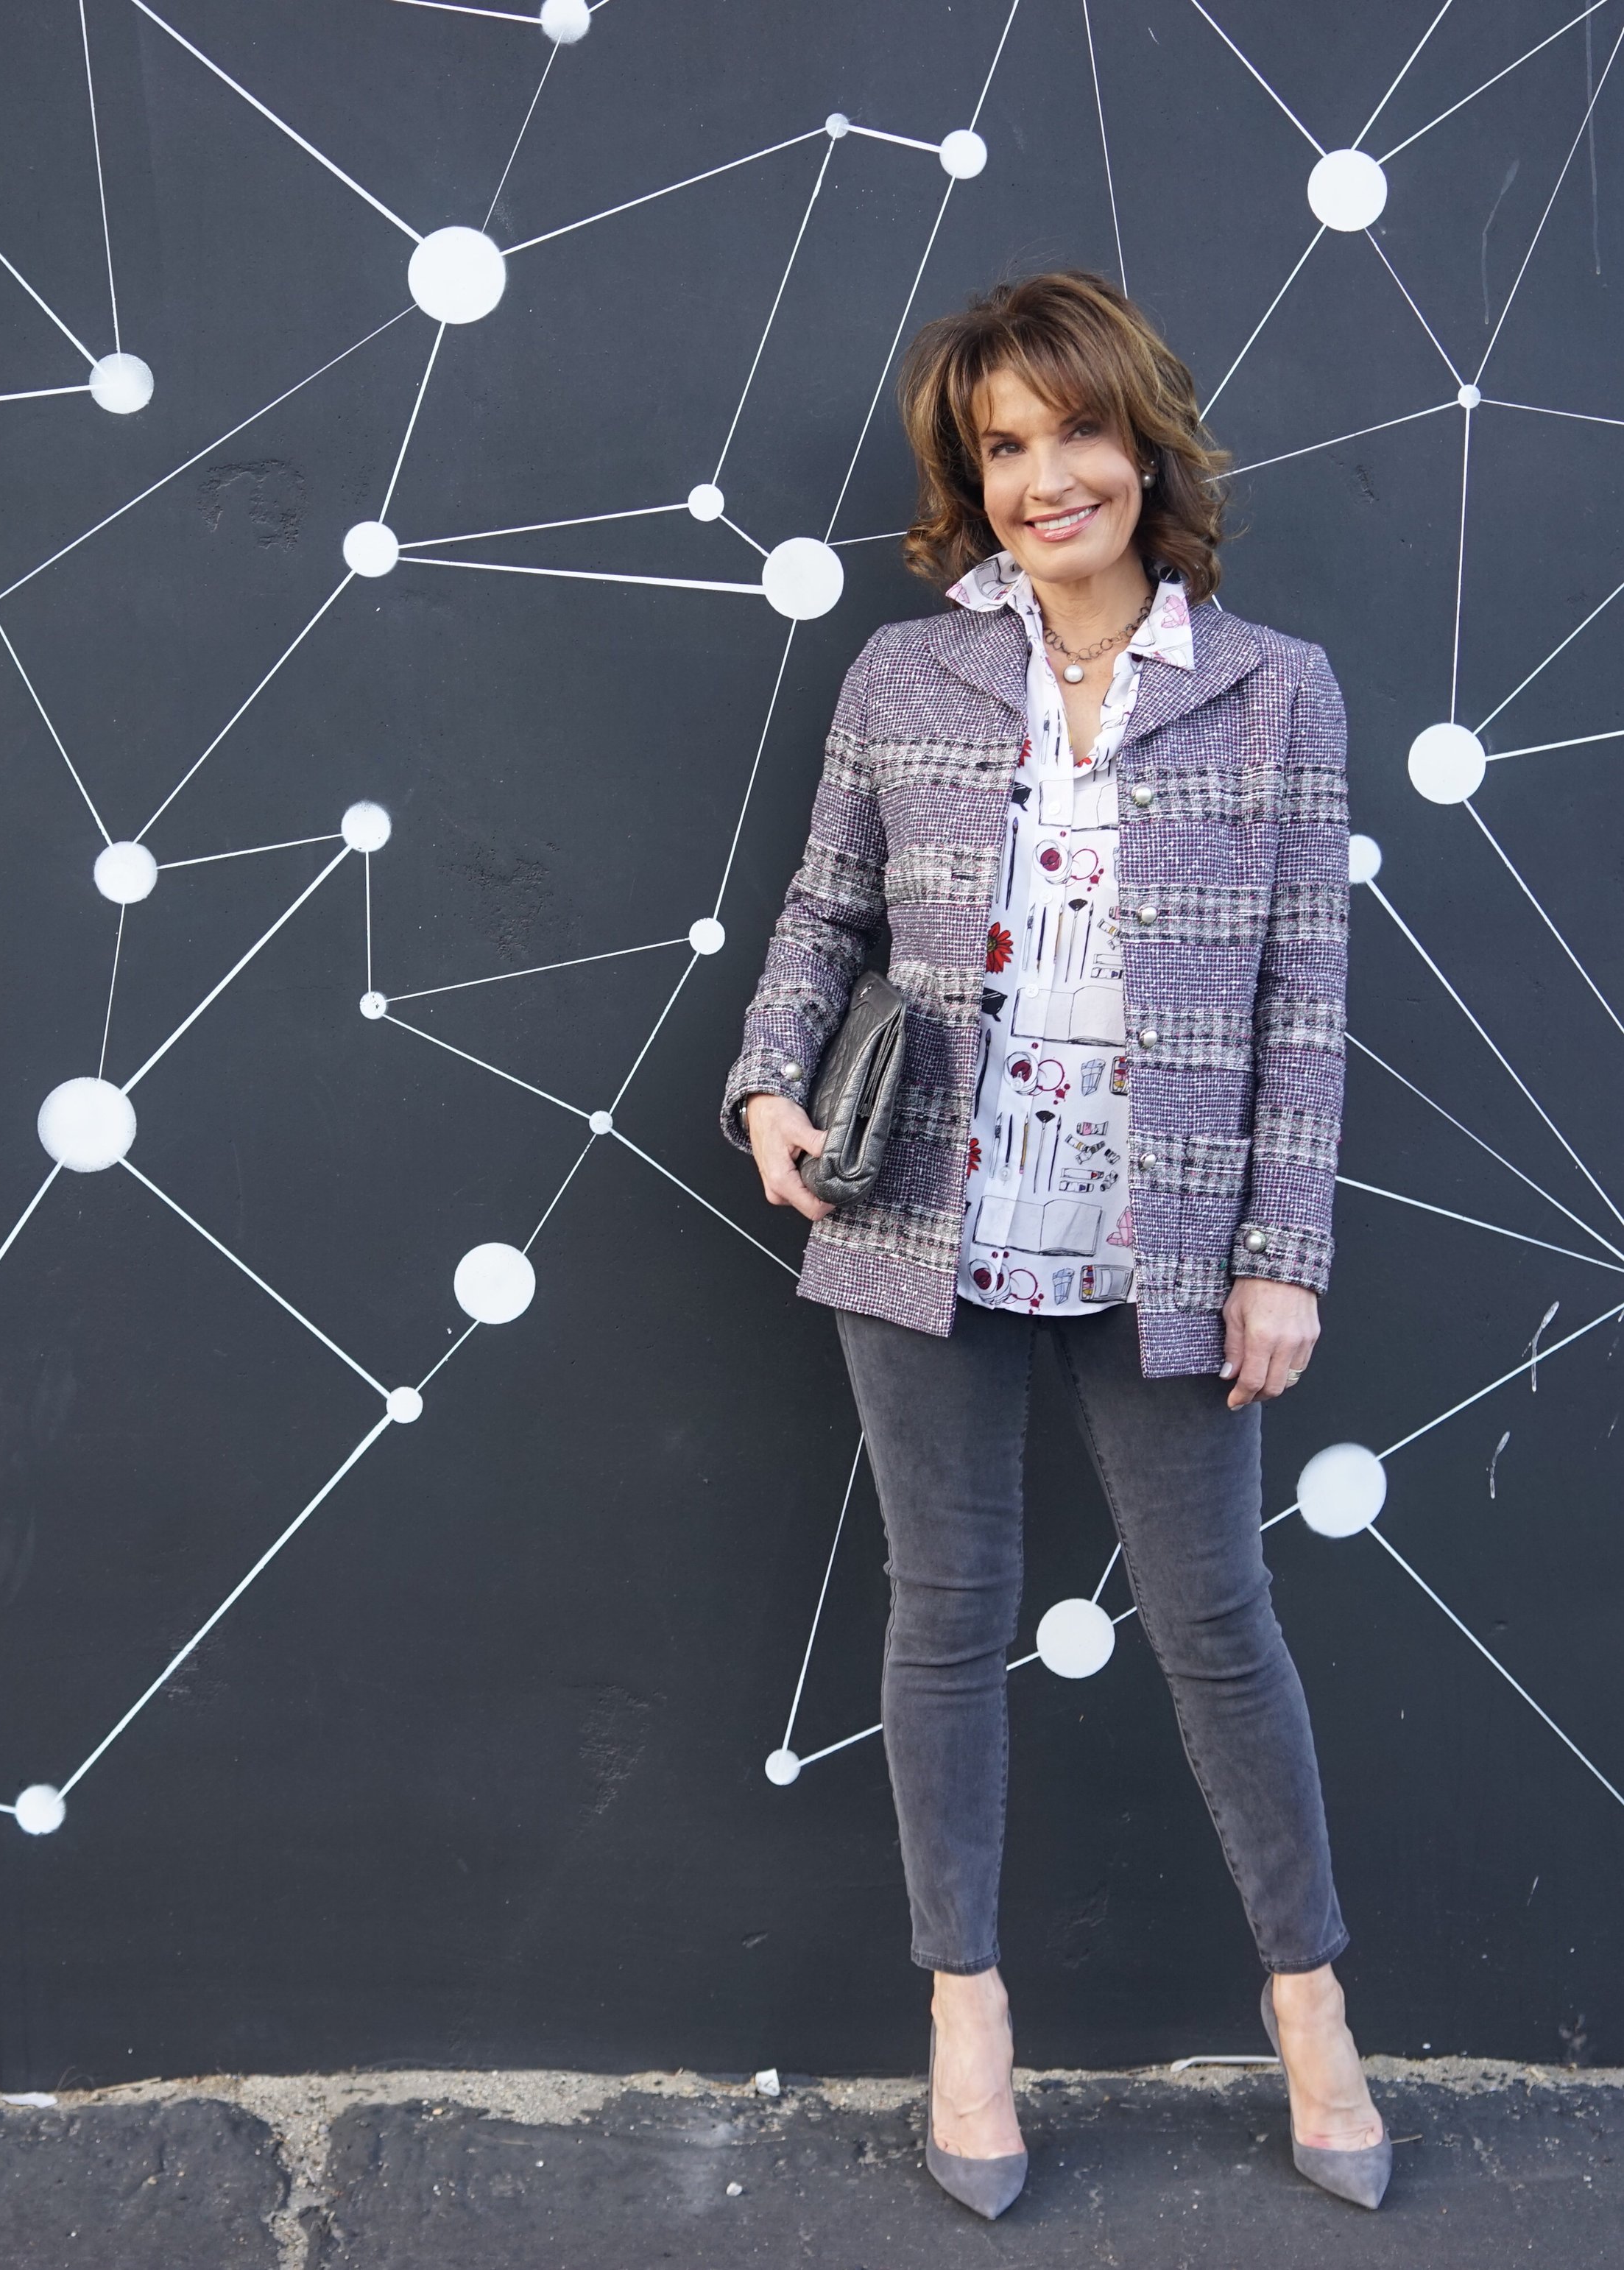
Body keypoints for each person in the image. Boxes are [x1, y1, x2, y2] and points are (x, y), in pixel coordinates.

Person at [719, 271, 1390, 2219]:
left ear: (1141, 441)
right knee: (943, 1620)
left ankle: (1311, 2010)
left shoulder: (1274, 689)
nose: (1040, 477)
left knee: (1213, 1626)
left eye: (1069, 432)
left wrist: (1282, 1246)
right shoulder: (898, 679)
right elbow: (817, 916)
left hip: (1166, 1234)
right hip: (925, 1207)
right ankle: (964, 2013)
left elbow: (1304, 1000)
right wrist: (768, 1085)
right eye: (997, 448)